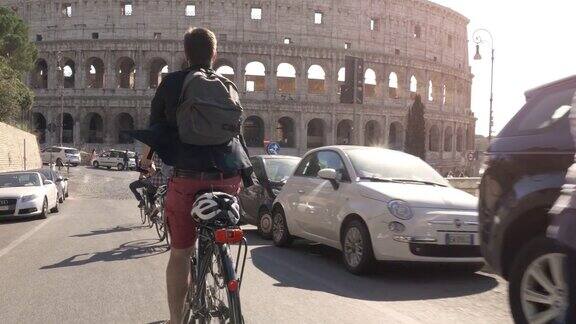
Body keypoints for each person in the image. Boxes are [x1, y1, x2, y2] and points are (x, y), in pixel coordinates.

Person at [138, 27, 252, 324]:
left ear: (185, 54)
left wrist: (146, 163)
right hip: (228, 178)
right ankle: (222, 262)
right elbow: (236, 135)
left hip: (188, 178)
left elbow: (155, 132)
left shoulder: (172, 83)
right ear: (214, 54)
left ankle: (177, 320)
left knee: (180, 254)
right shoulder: (228, 86)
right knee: (220, 231)